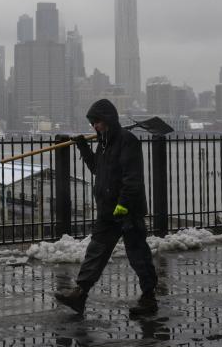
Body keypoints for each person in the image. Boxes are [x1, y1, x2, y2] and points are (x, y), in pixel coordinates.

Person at [54, 98, 158, 315]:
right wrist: (84, 148)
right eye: (92, 124)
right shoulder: (104, 143)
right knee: (96, 251)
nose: (95, 127)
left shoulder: (127, 141)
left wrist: (123, 205)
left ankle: (149, 298)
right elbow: (98, 170)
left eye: (98, 122)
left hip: (127, 211)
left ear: (108, 119)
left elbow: (133, 178)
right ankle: (80, 294)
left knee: (138, 254)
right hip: (106, 210)